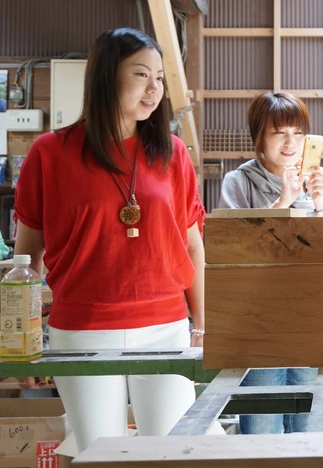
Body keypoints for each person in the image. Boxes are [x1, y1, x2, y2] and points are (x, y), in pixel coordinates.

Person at [13, 28, 205, 452]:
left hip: (166, 328)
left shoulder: (172, 153)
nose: (154, 88)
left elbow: (192, 246)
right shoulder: (49, 153)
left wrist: (202, 324)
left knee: (173, 451)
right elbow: (27, 256)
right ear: (105, 78)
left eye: (159, 77)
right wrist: (22, 339)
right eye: (141, 74)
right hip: (82, 331)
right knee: (98, 452)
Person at [218, 91, 323, 434]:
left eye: (299, 133)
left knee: (309, 424)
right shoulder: (238, 182)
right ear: (259, 136)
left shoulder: (318, 183)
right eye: (279, 132)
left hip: (307, 319)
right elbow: (235, 248)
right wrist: (284, 200)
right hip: (258, 324)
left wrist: (322, 206)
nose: (291, 142)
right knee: (262, 426)